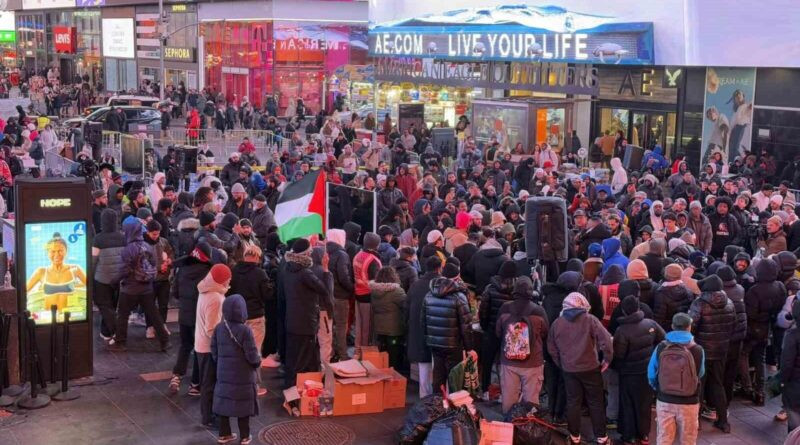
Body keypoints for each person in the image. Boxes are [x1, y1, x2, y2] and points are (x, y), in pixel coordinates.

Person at [547, 292, 612, 445]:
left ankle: (574, 437)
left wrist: (561, 363)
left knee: (573, 402)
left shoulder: (557, 323)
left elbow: (551, 348)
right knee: (596, 402)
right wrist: (607, 360)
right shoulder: (590, 320)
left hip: (569, 370)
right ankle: (602, 438)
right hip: (591, 368)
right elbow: (606, 341)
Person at [612, 295, 665, 445]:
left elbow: (619, 355)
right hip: (647, 371)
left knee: (627, 403)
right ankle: (644, 434)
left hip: (628, 373)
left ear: (624, 310)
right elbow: (663, 340)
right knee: (644, 403)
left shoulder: (622, 330)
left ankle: (629, 436)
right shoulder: (650, 323)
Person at [109, 218, 169, 351]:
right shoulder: (147, 246)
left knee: (123, 314)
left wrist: (114, 281)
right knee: (154, 314)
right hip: (147, 287)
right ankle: (164, 340)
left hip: (130, 288)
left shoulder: (128, 249)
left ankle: (120, 342)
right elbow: (153, 264)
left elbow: (124, 270)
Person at [648, 313, 706, 445]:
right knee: (688, 440)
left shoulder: (661, 347)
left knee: (664, 438)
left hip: (665, 400)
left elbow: (651, 374)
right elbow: (700, 373)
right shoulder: (698, 349)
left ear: (673, 326)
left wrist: (658, 387)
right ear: (689, 327)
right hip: (689, 402)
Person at [282, 238, 333, 388]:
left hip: (292, 321)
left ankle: (291, 390)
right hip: (306, 322)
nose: (311, 254)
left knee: (294, 359)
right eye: (310, 252)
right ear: (305, 254)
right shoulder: (305, 273)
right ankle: (301, 392)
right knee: (305, 360)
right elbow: (325, 290)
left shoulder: (288, 269)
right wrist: (325, 269)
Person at [688, 274, 736, 433]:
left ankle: (697, 421)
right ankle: (723, 421)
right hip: (721, 350)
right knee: (717, 384)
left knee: (699, 385)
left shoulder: (699, 303)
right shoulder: (729, 303)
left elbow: (691, 326)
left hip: (702, 350)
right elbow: (733, 326)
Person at [211, 294, 261, 445]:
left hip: (224, 374)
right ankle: (245, 436)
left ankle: (224, 434)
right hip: (243, 376)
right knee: (243, 406)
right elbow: (252, 354)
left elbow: (213, 349)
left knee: (224, 404)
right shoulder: (245, 331)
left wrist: (221, 363)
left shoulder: (219, 328)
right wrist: (256, 363)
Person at [495, 276, 549, 414]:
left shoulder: (505, 309)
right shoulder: (539, 311)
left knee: (509, 398)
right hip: (533, 362)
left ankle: (510, 426)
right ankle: (529, 430)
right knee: (531, 400)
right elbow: (544, 333)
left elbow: (498, 332)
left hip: (509, 361)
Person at [423, 262, 474, 391]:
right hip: (453, 344)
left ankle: (437, 405)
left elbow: (422, 321)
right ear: (457, 278)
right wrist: (469, 348)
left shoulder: (429, 295)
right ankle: (453, 406)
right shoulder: (459, 297)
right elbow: (466, 326)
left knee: (438, 375)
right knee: (454, 378)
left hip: (434, 343)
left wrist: (428, 339)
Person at [229, 244, 270, 395]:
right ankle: (254, 386)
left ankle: (237, 383)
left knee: (238, 350)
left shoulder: (234, 271)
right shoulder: (260, 274)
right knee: (255, 351)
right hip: (255, 316)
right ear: (258, 257)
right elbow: (267, 295)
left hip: (237, 317)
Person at [195, 264, 231, 427]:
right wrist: (222, 346)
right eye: (228, 280)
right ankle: (208, 417)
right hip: (209, 348)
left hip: (201, 344)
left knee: (207, 383)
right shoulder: (215, 298)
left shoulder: (205, 290)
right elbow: (212, 328)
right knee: (209, 384)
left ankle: (208, 415)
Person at [479, 260, 518, 397]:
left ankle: (485, 391)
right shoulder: (516, 290)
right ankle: (504, 393)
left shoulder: (490, 288)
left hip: (490, 330)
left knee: (487, 362)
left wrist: (485, 326)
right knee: (505, 364)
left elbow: (483, 311)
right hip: (510, 332)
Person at [407, 256, 441, 397]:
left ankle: (424, 396)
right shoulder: (440, 285)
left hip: (418, 329)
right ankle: (437, 398)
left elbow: (406, 305)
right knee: (437, 364)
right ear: (439, 268)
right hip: (437, 330)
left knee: (423, 365)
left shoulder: (416, 284)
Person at [92, 208, 125, 341]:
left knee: (105, 306)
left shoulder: (98, 239)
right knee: (112, 305)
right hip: (119, 278)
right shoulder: (122, 237)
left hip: (102, 278)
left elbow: (93, 261)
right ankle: (105, 332)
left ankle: (117, 331)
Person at [370, 266, 406, 370]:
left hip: (379, 327)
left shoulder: (374, 291)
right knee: (394, 355)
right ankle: (394, 375)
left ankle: (382, 371)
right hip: (394, 329)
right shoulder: (397, 291)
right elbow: (406, 305)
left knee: (382, 353)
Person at [144, 220, 173, 340]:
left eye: (158, 234)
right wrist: (158, 268)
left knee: (163, 304)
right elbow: (143, 264)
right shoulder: (143, 245)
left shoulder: (164, 242)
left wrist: (170, 260)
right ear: (148, 232)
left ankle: (162, 324)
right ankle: (150, 326)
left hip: (164, 279)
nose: (156, 236)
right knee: (149, 305)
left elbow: (170, 252)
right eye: (154, 234)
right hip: (150, 280)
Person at [352, 232, 382, 348]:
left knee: (359, 326)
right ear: (375, 245)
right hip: (368, 295)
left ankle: (358, 350)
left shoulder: (358, 255)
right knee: (367, 328)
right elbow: (375, 281)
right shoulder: (373, 260)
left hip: (358, 293)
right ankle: (365, 352)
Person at [781, 301, 800, 433]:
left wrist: (783, 381)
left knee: (794, 421)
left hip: (796, 382)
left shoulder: (793, 334)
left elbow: (787, 361)